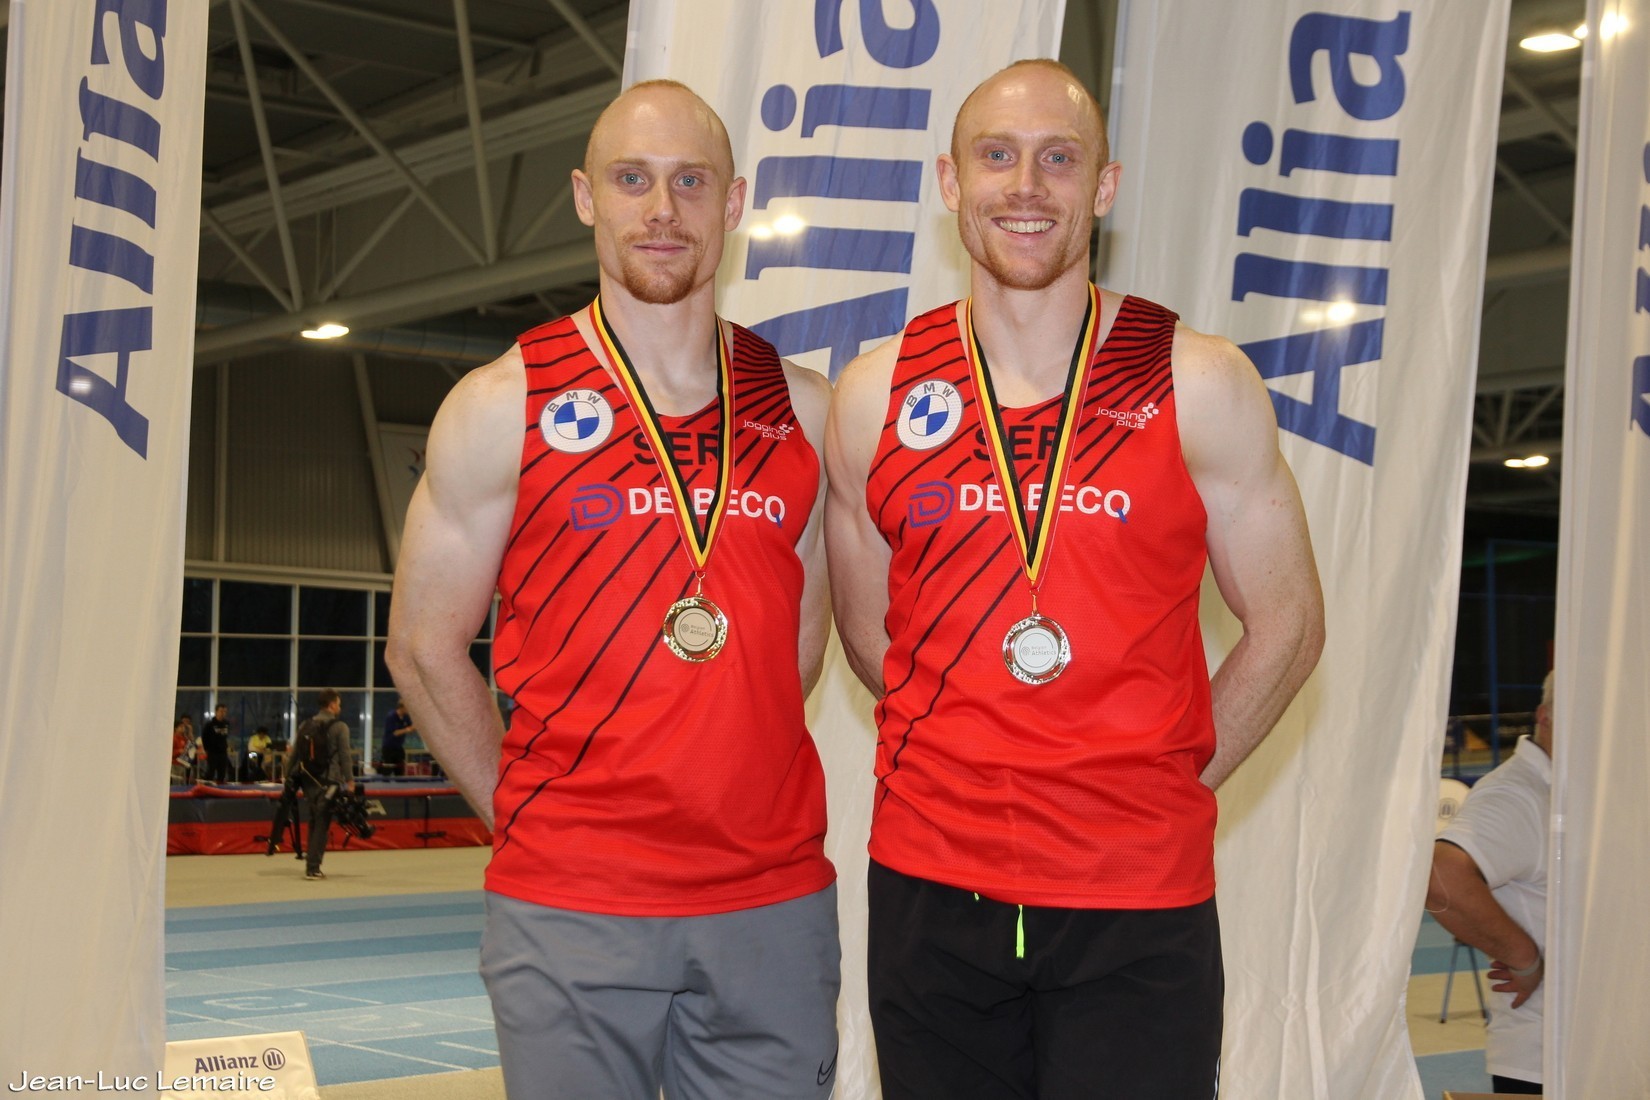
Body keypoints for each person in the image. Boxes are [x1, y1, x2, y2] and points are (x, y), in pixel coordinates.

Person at [825, 60, 1325, 1099]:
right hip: (931, 885)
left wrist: (1164, 783)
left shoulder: (1197, 379)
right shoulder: (874, 396)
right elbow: (878, 639)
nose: (1026, 185)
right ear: (950, 182)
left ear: (1104, 186)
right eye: (996, 156)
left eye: (1059, 158)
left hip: (1136, 897)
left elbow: (1288, 623)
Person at [386, 80, 840, 1099]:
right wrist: (530, 816)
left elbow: (795, 652)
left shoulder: (804, 408)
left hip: (769, 902)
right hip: (570, 908)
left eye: (691, 182)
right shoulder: (501, 403)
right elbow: (420, 645)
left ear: (734, 202)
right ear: (587, 197)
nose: (662, 210)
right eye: (633, 180)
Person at [1426, 671, 1553, 1094]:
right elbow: (1440, 877)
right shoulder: (1519, 795)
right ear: (1546, 716)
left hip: (1600, 1045)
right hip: (1544, 1058)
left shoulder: (1585, 790)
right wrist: (1524, 957)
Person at [267, 689, 354, 880]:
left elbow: (295, 754)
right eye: (338, 704)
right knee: (322, 823)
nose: (339, 708)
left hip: (308, 780)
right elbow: (345, 756)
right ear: (332, 705)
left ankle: (312, 862)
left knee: (314, 818)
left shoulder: (305, 725)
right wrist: (350, 780)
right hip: (329, 781)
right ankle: (313, 867)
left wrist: (288, 776)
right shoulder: (340, 727)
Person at [379, 700, 415, 777]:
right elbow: (395, 733)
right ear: (401, 707)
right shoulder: (391, 716)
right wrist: (407, 730)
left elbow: (411, 727)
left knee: (400, 771)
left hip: (398, 747)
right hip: (388, 747)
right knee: (387, 771)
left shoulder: (406, 717)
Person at [201, 704, 233, 783]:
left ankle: (220, 788)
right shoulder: (210, 724)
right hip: (213, 752)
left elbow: (226, 737)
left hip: (223, 752)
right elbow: (204, 737)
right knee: (210, 772)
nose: (223, 713)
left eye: (224, 712)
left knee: (222, 772)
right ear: (216, 712)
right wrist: (206, 749)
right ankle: (207, 787)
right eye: (221, 711)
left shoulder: (226, 724)